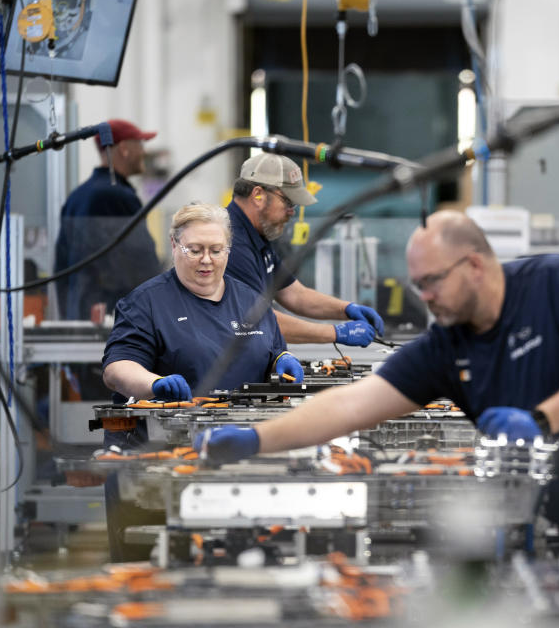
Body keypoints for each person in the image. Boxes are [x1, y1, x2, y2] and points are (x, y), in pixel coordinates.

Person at [197, 210, 559, 553]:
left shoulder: (554, 282)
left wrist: (543, 418)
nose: (425, 298)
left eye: (432, 282)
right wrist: (257, 439)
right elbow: (350, 406)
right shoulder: (446, 347)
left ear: (473, 265)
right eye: (417, 285)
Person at [99, 202, 301, 560]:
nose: (206, 260)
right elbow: (117, 369)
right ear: (175, 245)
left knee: (233, 565)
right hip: (157, 466)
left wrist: (283, 361)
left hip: (235, 460)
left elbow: (272, 353)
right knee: (153, 575)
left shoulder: (251, 301)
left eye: (216, 250)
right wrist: (153, 384)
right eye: (195, 250)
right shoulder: (147, 302)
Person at [225, 153, 385, 348]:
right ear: (258, 195)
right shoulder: (230, 244)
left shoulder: (258, 234)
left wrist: (347, 309)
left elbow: (295, 295)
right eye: (288, 202)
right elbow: (256, 322)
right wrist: (336, 332)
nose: (292, 211)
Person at [55, 118, 161, 321]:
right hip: (113, 318)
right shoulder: (117, 196)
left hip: (78, 314)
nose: (144, 152)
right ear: (123, 148)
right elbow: (142, 263)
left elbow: (61, 263)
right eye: (139, 144)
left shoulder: (77, 196)